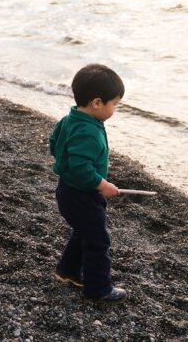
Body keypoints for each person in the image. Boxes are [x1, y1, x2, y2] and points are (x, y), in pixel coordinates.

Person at [48, 63, 129, 302]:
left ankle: (68, 270)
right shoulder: (88, 131)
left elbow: (54, 143)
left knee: (84, 232)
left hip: (69, 189)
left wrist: (65, 163)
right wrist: (102, 185)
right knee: (98, 241)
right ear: (97, 103)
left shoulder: (70, 119)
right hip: (81, 194)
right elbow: (82, 168)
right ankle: (99, 288)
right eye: (114, 104)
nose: (115, 108)